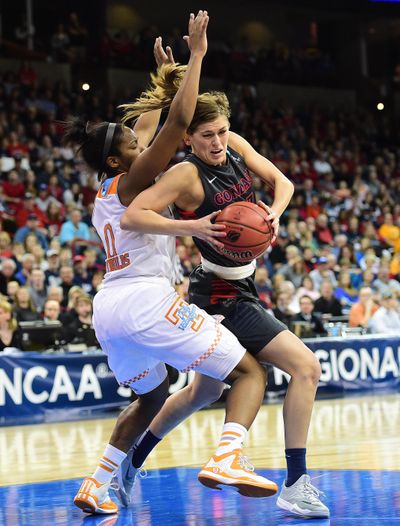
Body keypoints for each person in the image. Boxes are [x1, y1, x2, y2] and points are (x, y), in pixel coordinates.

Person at [65, 12, 276, 516]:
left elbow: (149, 123)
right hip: (145, 298)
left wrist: (165, 83)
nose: (144, 146)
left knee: (152, 397)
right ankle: (228, 457)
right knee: (249, 373)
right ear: (120, 161)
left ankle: (96, 484)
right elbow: (178, 124)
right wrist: (198, 57)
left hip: (109, 309)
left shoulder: (107, 185)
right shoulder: (136, 181)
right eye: (135, 147)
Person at [119, 59, 328, 518]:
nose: (216, 142)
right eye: (206, 135)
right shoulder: (186, 174)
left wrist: (272, 213)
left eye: (221, 132)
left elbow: (284, 183)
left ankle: (130, 462)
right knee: (305, 368)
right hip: (217, 294)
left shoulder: (233, 145)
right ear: (188, 138)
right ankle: (296, 482)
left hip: (243, 286)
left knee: (203, 392)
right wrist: (192, 225)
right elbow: (134, 215)